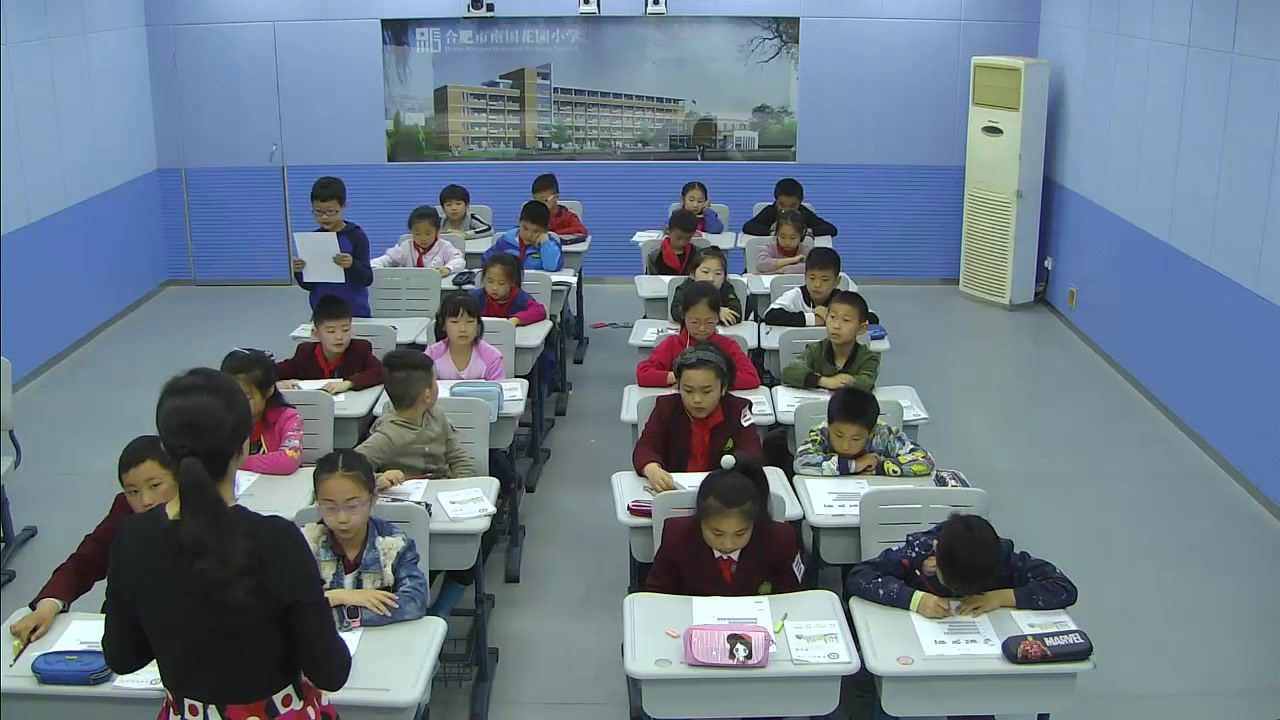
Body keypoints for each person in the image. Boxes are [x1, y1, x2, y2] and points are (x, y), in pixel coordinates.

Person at [103, 368, 350, 718]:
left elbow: (123, 657)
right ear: (244, 444)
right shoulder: (277, 540)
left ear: (167, 451)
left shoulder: (133, 537)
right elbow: (331, 671)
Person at [8, 437, 175, 643]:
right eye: (133, 492)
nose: (146, 501)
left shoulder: (204, 512)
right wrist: (48, 606)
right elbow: (86, 561)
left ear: (178, 477)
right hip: (131, 628)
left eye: (155, 486)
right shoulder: (125, 510)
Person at [848, 513, 1079, 616]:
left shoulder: (1001, 558)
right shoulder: (918, 553)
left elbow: (1063, 588)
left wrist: (999, 598)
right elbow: (859, 576)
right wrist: (915, 600)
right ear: (936, 556)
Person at [300, 449, 428, 630]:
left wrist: (344, 613)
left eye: (352, 506)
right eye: (329, 507)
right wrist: (340, 596)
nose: (342, 518)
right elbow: (284, 605)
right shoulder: (305, 544)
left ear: (373, 497)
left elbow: (415, 601)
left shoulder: (393, 545)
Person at [645, 456, 801, 596]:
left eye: (740, 534)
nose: (728, 544)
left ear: (754, 522)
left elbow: (791, 597)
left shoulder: (780, 540)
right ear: (701, 520)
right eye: (717, 534)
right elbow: (657, 596)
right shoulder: (677, 537)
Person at [633, 343, 763, 493]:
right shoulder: (666, 407)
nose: (697, 400)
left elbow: (753, 452)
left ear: (723, 388)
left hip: (722, 493)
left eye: (706, 392)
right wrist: (652, 469)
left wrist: (733, 464)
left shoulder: (738, 410)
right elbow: (645, 447)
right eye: (688, 390)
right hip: (673, 492)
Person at [355, 350, 475, 489]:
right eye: (435, 381)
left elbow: (459, 458)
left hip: (445, 491)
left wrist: (462, 487)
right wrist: (379, 479)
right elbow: (350, 470)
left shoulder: (437, 415)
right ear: (427, 395)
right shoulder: (387, 435)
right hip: (407, 497)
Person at [638, 281, 759, 390]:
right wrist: (679, 378)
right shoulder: (672, 344)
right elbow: (643, 374)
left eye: (709, 322)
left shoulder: (727, 345)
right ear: (683, 316)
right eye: (694, 322)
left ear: (718, 317)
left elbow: (751, 378)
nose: (702, 328)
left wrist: (711, 382)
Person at [795, 387, 934, 477]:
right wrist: (854, 465)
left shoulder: (884, 435)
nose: (845, 446)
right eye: (839, 435)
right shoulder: (822, 433)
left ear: (871, 432)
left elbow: (926, 460)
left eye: (855, 439)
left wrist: (879, 467)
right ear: (829, 424)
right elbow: (801, 461)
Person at [292, 176, 373, 317]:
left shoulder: (356, 235)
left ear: (343, 206)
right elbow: (308, 285)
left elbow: (367, 279)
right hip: (322, 311)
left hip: (354, 311)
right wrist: (299, 271)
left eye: (330, 211)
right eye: (318, 211)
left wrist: (352, 264)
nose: (324, 217)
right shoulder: (313, 240)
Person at [275, 294, 385, 393]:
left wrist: (348, 383)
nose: (339, 337)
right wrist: (275, 385)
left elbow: (381, 371)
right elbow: (271, 372)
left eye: (345, 330)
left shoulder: (359, 349)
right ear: (316, 333)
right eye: (331, 331)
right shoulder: (305, 353)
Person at [221, 349, 303, 475]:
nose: (236, 403)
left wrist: (237, 463)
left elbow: (289, 459)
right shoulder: (222, 417)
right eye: (230, 396)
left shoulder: (288, 417)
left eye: (247, 398)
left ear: (269, 390)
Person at [780, 290, 879, 390]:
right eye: (832, 317)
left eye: (846, 320)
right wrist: (825, 381)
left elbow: (866, 382)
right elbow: (789, 372)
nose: (836, 326)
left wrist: (845, 382)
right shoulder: (815, 350)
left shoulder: (868, 358)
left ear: (861, 328)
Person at [425, 293, 505, 381]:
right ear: (443, 325)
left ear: (478, 325)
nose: (463, 329)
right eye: (454, 322)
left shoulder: (492, 357)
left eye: (470, 321)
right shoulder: (431, 355)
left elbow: (497, 387)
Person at [372, 205, 466, 275]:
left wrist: (448, 269)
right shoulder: (406, 247)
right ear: (411, 231)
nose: (423, 238)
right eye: (417, 234)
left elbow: (458, 260)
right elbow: (387, 259)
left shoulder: (444, 246)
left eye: (428, 233)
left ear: (437, 230)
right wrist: (375, 266)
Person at [762, 247, 843, 327]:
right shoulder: (796, 296)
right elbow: (770, 315)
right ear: (805, 276)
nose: (817, 285)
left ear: (837, 281)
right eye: (812, 278)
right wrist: (812, 319)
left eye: (825, 280)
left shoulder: (843, 301)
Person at [483, 200, 564, 272]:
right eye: (525, 228)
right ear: (519, 222)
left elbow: (551, 267)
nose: (528, 235)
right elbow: (486, 261)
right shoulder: (505, 242)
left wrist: (546, 243)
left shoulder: (552, 245)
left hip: (537, 283)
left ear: (545, 229)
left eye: (536, 231)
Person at [470, 252, 547, 326]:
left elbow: (540, 311)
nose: (494, 288)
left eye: (501, 283)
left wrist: (516, 319)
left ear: (512, 282)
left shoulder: (519, 297)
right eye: (490, 281)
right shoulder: (476, 297)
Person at [670, 248, 743, 326]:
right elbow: (676, 312)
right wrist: (715, 312)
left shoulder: (725, 288)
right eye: (705, 272)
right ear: (692, 274)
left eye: (718, 273)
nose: (711, 278)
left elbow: (736, 313)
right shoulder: (685, 288)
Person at [741, 178, 838, 237]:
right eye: (782, 205)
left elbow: (831, 229)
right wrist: (773, 233)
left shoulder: (804, 213)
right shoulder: (770, 211)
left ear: (800, 202)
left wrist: (806, 232)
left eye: (793, 205)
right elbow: (748, 227)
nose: (787, 210)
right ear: (775, 200)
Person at [531, 172, 587, 238]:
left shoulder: (567, 217)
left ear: (556, 197)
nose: (539, 205)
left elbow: (581, 231)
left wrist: (554, 234)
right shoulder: (531, 216)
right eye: (536, 201)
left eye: (544, 200)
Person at [645, 209, 699, 276]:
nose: (682, 242)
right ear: (669, 230)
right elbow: (650, 279)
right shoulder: (655, 256)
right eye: (678, 238)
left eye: (688, 238)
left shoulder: (697, 254)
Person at [755, 209, 809, 275]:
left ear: (802, 235)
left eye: (792, 238)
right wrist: (793, 260)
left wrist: (781, 270)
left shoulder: (804, 251)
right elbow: (761, 265)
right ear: (776, 233)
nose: (787, 242)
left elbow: (808, 267)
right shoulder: (770, 248)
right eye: (782, 237)